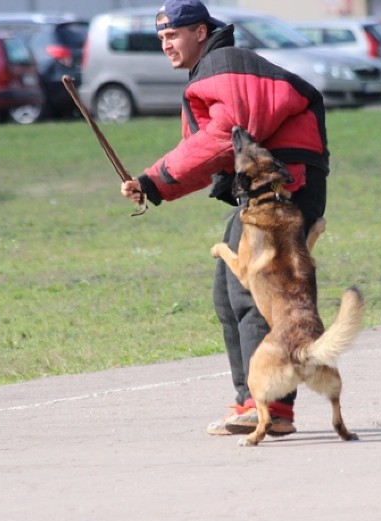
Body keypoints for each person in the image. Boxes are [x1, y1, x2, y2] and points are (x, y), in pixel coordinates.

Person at [120, 0, 330, 437]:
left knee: (253, 293)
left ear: (200, 32)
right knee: (227, 292)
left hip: (284, 190)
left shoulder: (224, 65)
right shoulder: (211, 74)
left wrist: (155, 179)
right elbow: (209, 156)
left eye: (173, 35)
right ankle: (257, 400)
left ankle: (266, 404)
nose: (166, 45)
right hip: (266, 192)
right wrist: (155, 187)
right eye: (160, 38)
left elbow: (223, 136)